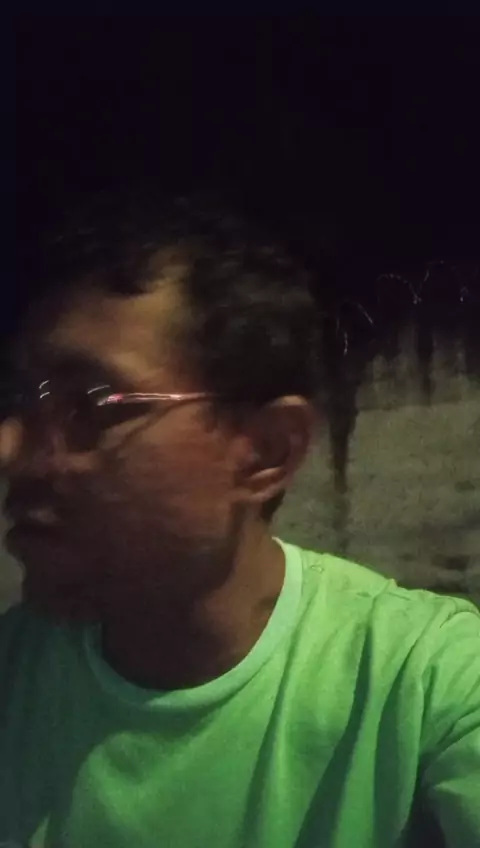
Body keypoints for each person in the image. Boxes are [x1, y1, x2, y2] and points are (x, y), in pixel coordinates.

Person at [1, 192, 479, 848]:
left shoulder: (426, 686)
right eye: (20, 399)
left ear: (266, 452)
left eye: (89, 403)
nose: (10, 448)